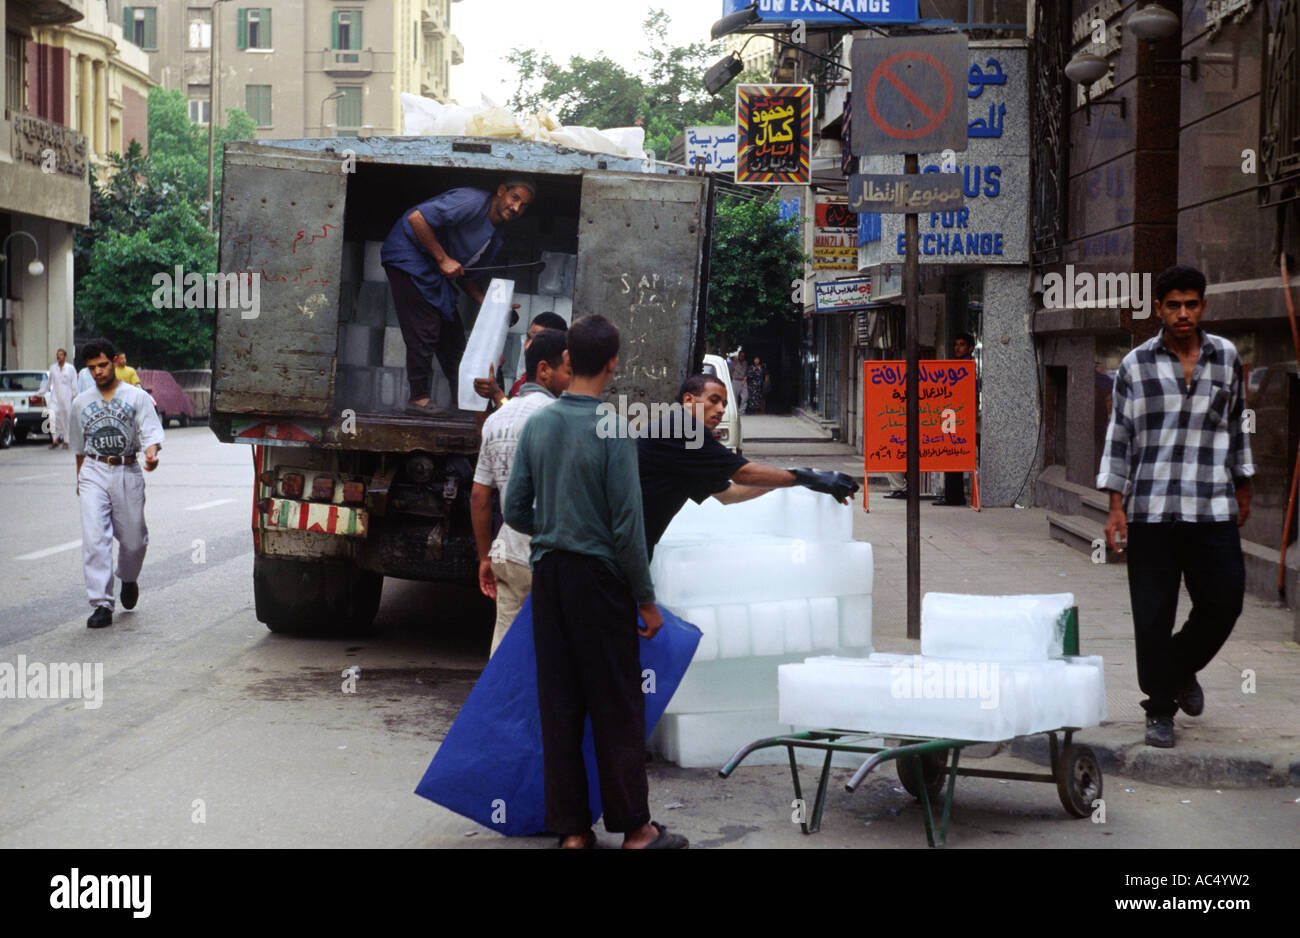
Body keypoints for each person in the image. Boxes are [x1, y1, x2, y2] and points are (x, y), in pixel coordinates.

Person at [504, 314, 686, 850]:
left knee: (559, 704)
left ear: (566, 361)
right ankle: (636, 829)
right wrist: (646, 602)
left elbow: (515, 508)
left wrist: (558, 528)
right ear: (612, 363)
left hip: (551, 577)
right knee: (616, 705)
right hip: (599, 580)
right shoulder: (613, 428)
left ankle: (573, 833)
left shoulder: (538, 423)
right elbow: (628, 529)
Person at [1099, 265, 1252, 749]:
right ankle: (1159, 710)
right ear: (1159, 309)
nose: (1183, 313)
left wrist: (1243, 486)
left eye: (1191, 304)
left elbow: (1239, 425)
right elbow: (1118, 438)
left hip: (1211, 506)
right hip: (1151, 509)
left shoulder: (1226, 358)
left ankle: (1181, 668)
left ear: (1202, 306)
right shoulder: (1135, 365)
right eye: (1173, 305)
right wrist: (1115, 506)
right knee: (1152, 613)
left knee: (1225, 600)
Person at [637, 373, 859, 559]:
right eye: (713, 400)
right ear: (688, 400)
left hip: (626, 549)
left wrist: (785, 481)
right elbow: (744, 473)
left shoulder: (684, 449)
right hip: (614, 550)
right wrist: (806, 476)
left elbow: (729, 494)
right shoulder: (684, 428)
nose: (721, 409)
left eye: (724, 403)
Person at [380, 180, 536, 416]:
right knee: (426, 328)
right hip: (408, 257)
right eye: (514, 198)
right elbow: (416, 218)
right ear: (501, 191)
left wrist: (487, 301)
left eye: (523, 206)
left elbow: (464, 274)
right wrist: (443, 259)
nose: (516, 208)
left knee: (452, 336)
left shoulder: (496, 236)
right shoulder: (471, 201)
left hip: (434, 272)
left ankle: (466, 405)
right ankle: (418, 399)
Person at [470, 329, 571, 655]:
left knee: (504, 649)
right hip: (546, 555)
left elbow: (479, 497)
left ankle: (497, 703)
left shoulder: (496, 420)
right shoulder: (559, 418)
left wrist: (485, 557)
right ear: (544, 370)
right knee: (550, 652)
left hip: (506, 553)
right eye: (568, 372)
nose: (572, 381)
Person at [69, 338, 165, 629]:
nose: (98, 372)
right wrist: (80, 479)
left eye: (102, 365)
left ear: (114, 361)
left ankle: (129, 577)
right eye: (92, 368)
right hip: (94, 471)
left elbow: (151, 433)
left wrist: (151, 454)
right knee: (95, 538)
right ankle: (101, 604)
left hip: (127, 470)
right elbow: (79, 446)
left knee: (134, 540)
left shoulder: (136, 397)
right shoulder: (80, 403)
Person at [473, 310, 569, 406]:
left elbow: (517, 414)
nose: (527, 346)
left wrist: (497, 394)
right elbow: (506, 408)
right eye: (528, 338)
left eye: (536, 340)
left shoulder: (560, 384)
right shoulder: (523, 381)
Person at [934, 332, 976, 507]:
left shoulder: (966, 366)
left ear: (970, 348)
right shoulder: (959, 365)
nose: (957, 348)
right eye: (956, 344)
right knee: (951, 455)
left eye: (962, 345)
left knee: (953, 456)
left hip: (958, 415)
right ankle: (953, 495)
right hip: (953, 414)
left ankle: (953, 496)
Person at [39, 348, 78, 449]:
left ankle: (66, 440)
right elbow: (48, 383)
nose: (58, 356)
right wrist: (40, 393)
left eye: (60, 355)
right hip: (55, 397)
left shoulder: (70, 368)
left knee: (66, 418)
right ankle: (55, 439)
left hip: (67, 397)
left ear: (65, 356)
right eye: (57, 355)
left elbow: (74, 383)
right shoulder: (53, 368)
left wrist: (74, 396)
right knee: (52, 415)